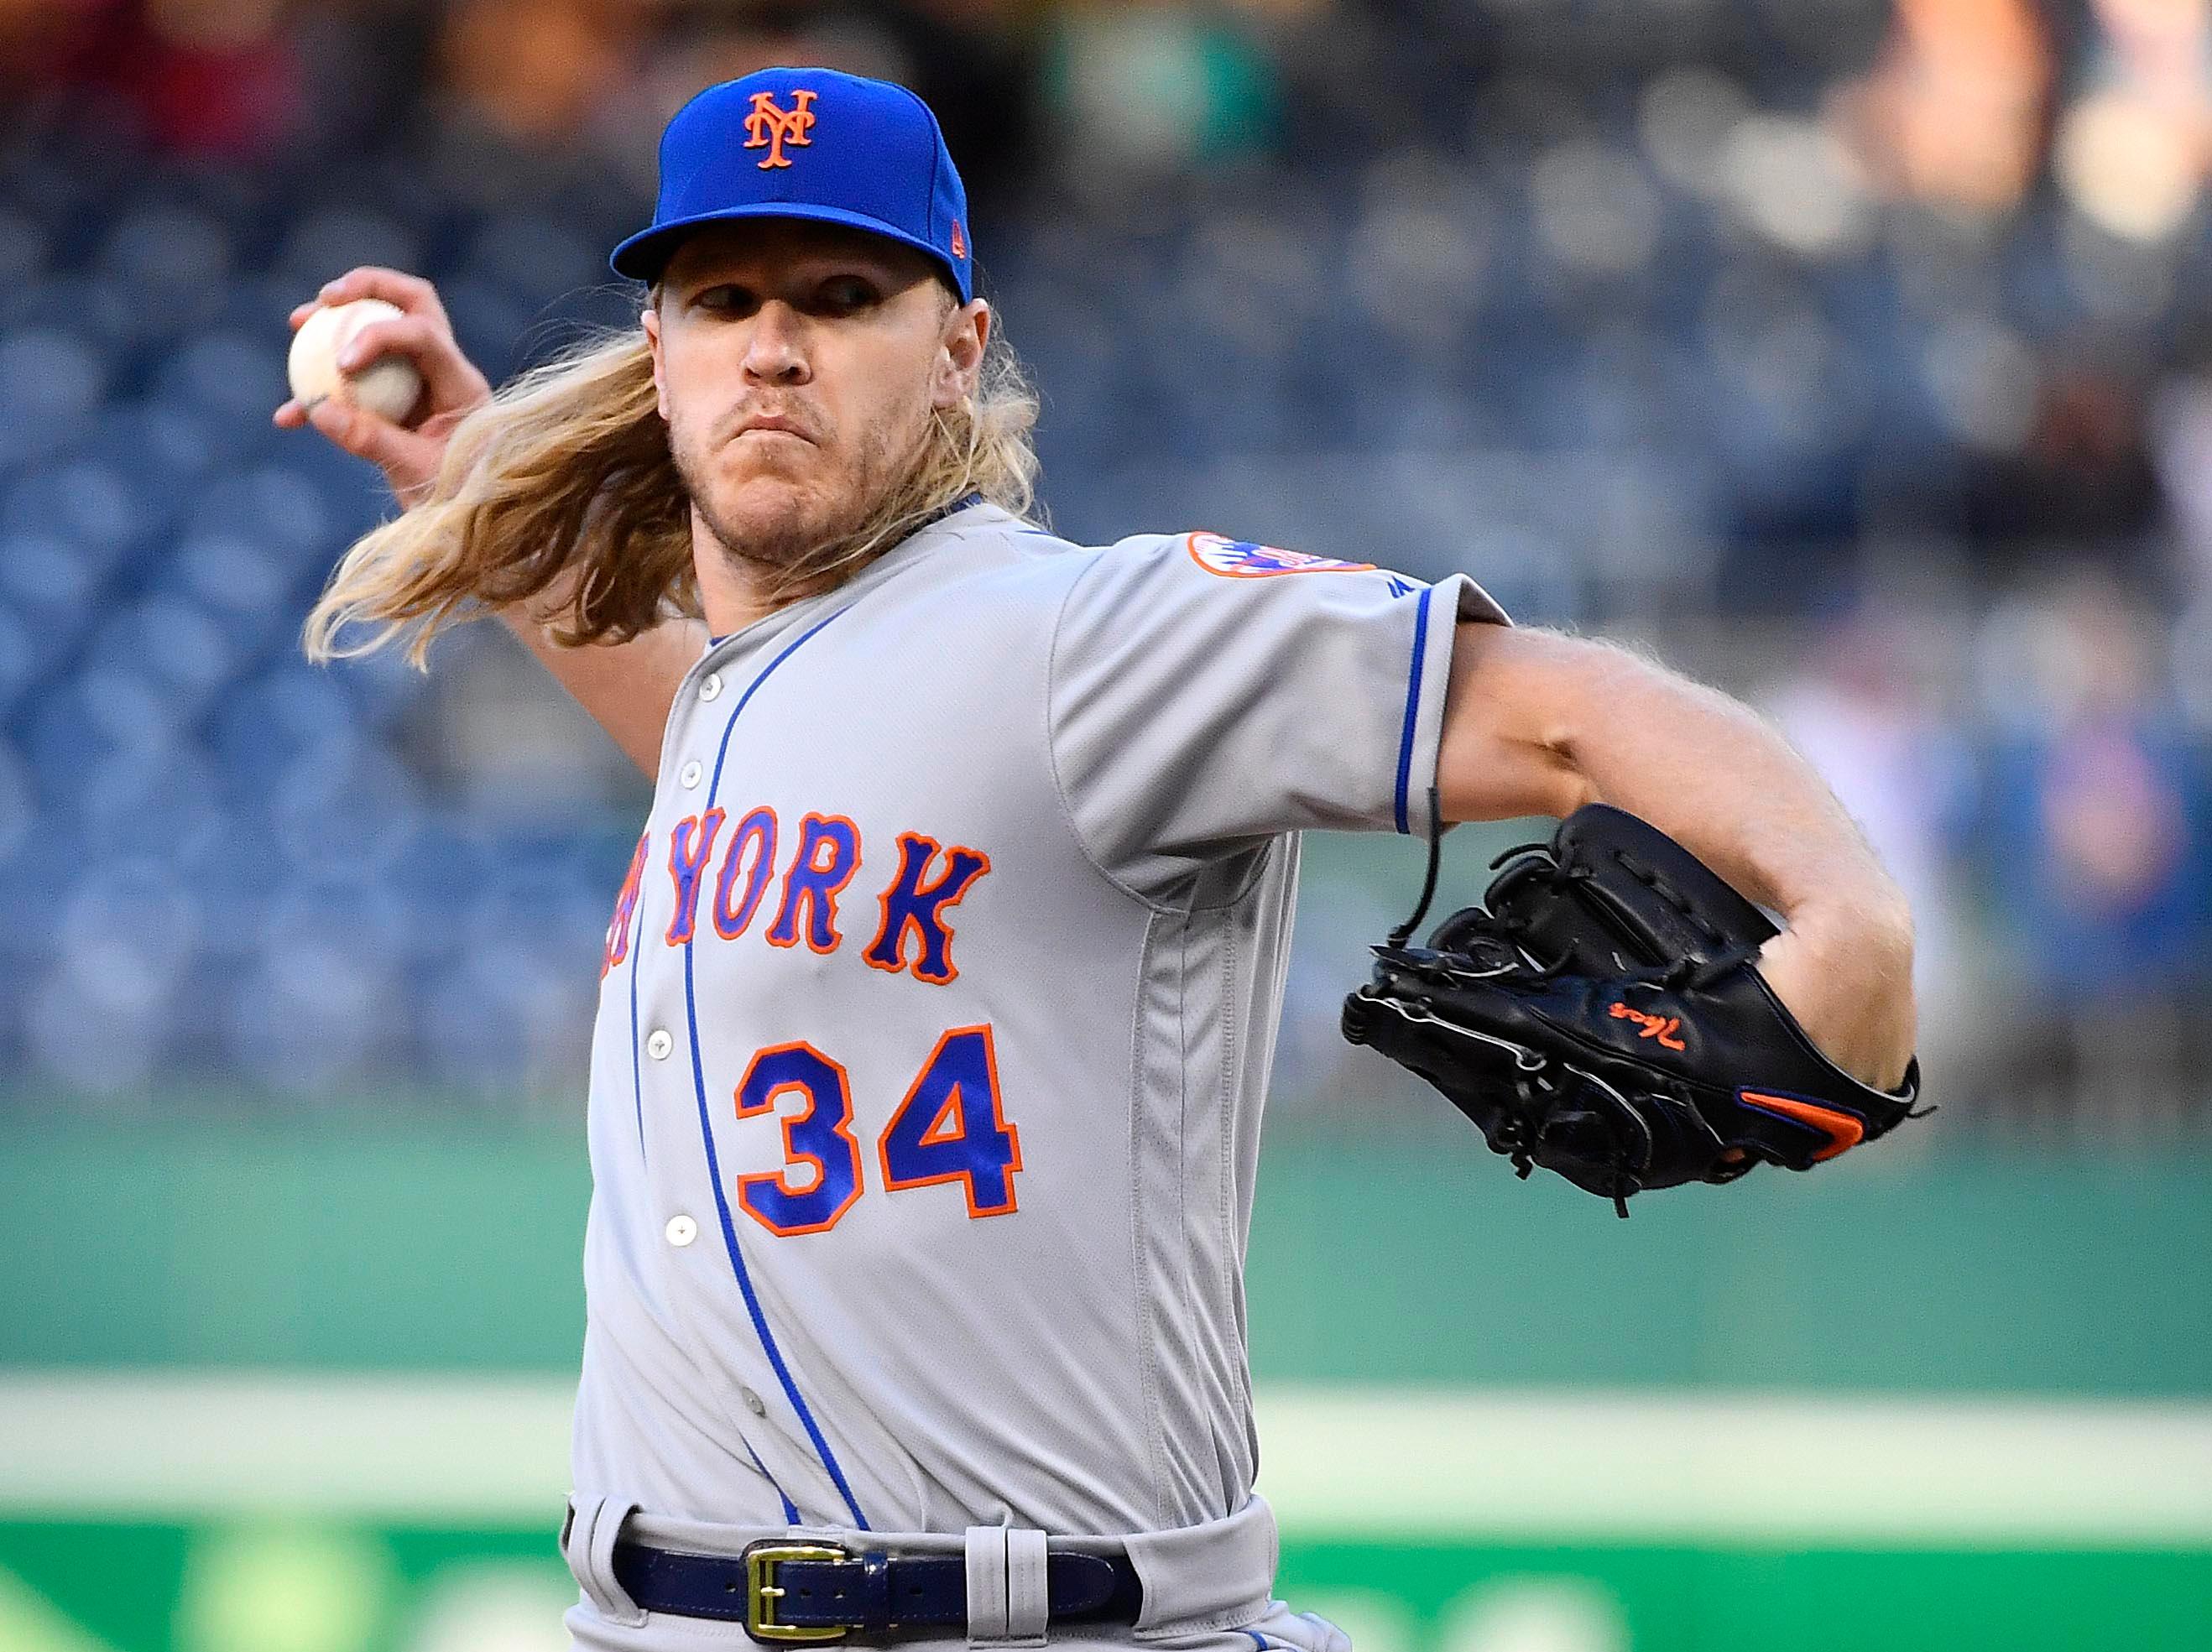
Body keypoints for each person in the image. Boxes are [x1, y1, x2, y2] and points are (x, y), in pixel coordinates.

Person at [276, 66, 1916, 1652]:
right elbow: (778, 757)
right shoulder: (742, 698)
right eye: (720, 300)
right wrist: (478, 461)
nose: (771, 347)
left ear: (958, 350)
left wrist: (1852, 919)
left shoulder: (1086, 636)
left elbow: (1565, 710)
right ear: (659, 349)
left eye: (842, 295)